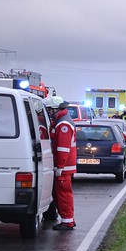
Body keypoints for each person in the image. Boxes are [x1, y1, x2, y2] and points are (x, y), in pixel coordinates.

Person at [43, 95, 77, 231]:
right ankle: (67, 219)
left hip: (64, 167)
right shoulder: (61, 120)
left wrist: (60, 167)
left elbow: (63, 148)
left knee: (63, 194)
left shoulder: (63, 124)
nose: (49, 113)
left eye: (50, 110)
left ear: (56, 109)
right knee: (60, 193)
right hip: (62, 166)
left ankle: (68, 221)